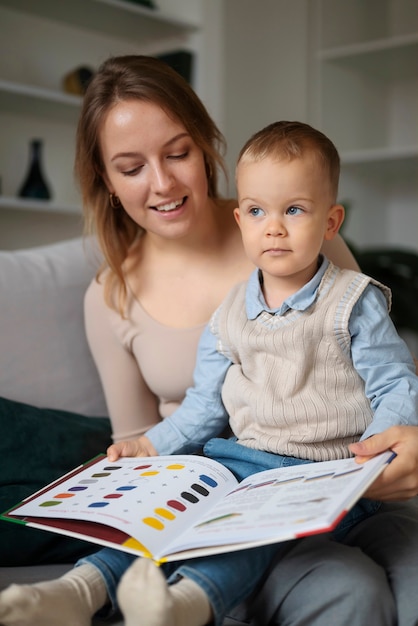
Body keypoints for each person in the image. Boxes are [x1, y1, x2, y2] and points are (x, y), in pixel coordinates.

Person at [0, 55, 417, 626]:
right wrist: (143, 456)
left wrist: (397, 444)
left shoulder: (306, 251)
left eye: (178, 153)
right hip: (207, 481)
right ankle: (77, 593)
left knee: (357, 586)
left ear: (205, 147)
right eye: (131, 166)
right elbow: (160, 436)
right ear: (105, 177)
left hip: (320, 476)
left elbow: (383, 375)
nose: (164, 182)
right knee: (343, 583)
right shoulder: (114, 296)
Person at [104, 119, 418, 626]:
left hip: (340, 473)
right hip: (247, 470)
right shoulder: (226, 314)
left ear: (331, 222)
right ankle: (97, 590)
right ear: (240, 218)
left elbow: (395, 380)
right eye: (257, 211)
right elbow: (204, 404)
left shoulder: (349, 298)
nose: (274, 227)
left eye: (294, 210)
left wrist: (384, 446)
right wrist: (150, 444)